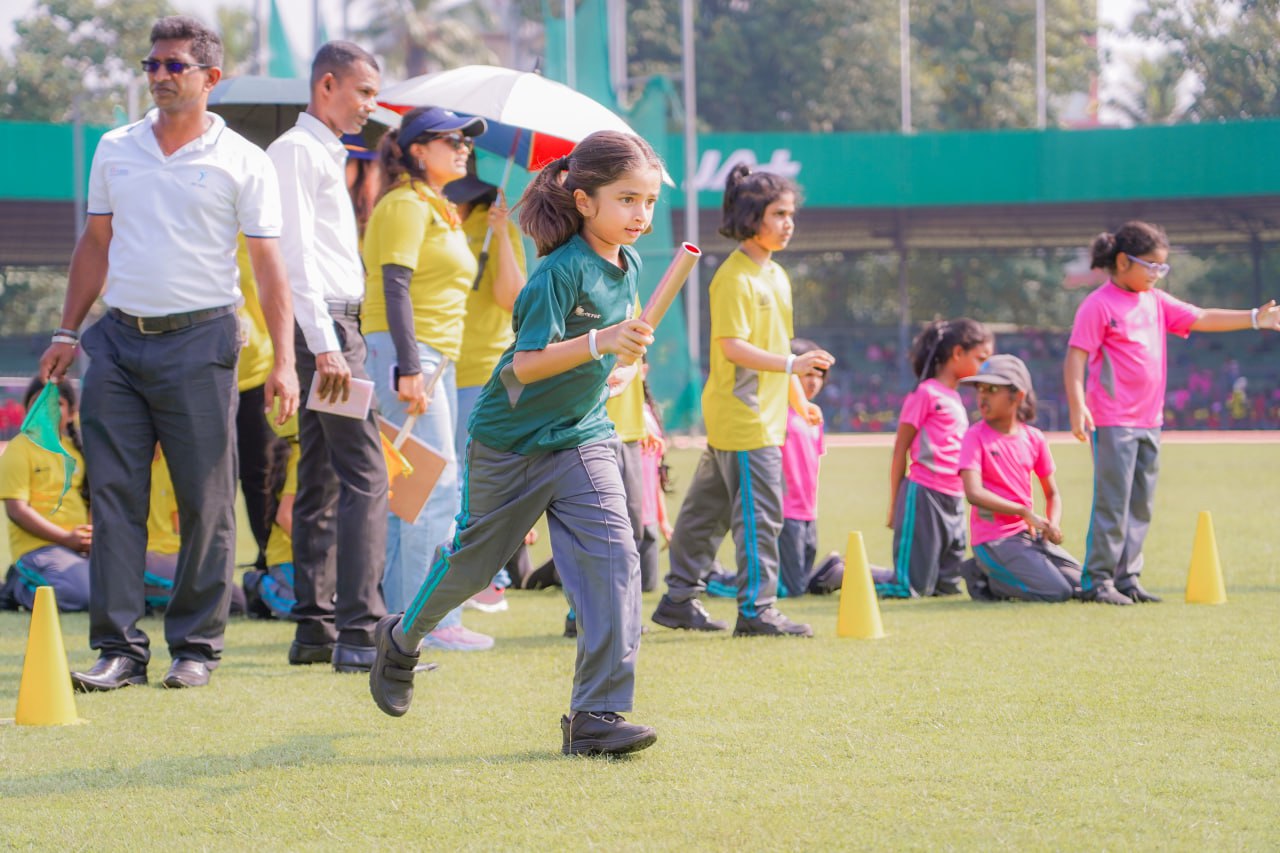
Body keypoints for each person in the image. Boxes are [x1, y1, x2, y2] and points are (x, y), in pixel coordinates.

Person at [368, 130, 661, 757]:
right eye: (628, 200)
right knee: (474, 563)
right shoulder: (555, 273)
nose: (642, 215)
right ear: (585, 202)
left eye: (650, 202)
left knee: (617, 558)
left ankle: (596, 715)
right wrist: (601, 344)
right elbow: (523, 365)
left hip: (583, 435)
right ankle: (402, 638)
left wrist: (624, 368)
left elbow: (612, 351)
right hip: (511, 441)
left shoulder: (629, 264)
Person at [41, 16, 299, 692]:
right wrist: (68, 331)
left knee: (205, 501)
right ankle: (118, 650)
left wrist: (287, 361)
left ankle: (196, 647)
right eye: (153, 64)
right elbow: (95, 243)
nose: (159, 75)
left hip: (202, 340)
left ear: (210, 78)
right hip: (117, 342)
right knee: (116, 496)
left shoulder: (245, 159)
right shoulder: (114, 147)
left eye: (174, 65)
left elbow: (271, 269)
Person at [652, 165, 833, 638]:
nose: (789, 223)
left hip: (756, 419)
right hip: (745, 417)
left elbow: (781, 345)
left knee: (703, 513)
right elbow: (732, 347)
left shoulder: (776, 275)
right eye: (779, 214)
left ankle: (677, 599)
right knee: (759, 518)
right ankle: (757, 610)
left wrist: (797, 399)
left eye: (791, 214)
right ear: (752, 217)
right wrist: (794, 369)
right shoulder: (734, 277)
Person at [1065, 220, 1280, 604]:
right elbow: (1076, 356)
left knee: (1141, 503)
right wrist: (1078, 404)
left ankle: (1127, 577)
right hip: (1113, 419)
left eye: (1161, 267)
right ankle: (1097, 581)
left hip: (1150, 420)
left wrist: (1253, 318)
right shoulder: (1098, 305)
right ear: (1122, 261)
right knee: (1113, 503)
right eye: (1150, 265)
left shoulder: (1155, 302)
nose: (1156, 274)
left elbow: (1200, 316)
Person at [267, 41, 387, 671]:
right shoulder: (295, 151)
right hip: (331, 332)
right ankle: (362, 633)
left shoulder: (321, 152)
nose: (371, 104)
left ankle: (314, 630)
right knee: (367, 477)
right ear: (328, 85)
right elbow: (294, 257)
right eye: (364, 91)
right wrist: (325, 343)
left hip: (333, 329)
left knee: (319, 476)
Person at [362, 106, 493, 652]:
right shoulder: (404, 204)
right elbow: (394, 285)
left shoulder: (439, 208)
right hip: (409, 354)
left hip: (434, 354)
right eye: (452, 140)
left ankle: (402, 621)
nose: (464, 147)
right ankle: (427, 623)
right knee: (434, 486)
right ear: (418, 150)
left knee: (414, 493)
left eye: (465, 140)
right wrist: (410, 367)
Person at [446, 169, 528, 614]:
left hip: (485, 369)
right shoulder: (431, 219)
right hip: (437, 366)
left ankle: (487, 576)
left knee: (477, 476)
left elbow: (513, 299)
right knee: (446, 478)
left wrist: (498, 234)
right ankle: (461, 570)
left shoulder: (495, 223)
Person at [875, 318, 992, 599]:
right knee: (910, 588)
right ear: (957, 354)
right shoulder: (925, 394)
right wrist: (895, 504)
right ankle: (844, 574)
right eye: (981, 359)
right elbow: (900, 449)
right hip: (924, 494)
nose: (985, 367)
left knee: (946, 587)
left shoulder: (954, 398)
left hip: (953, 498)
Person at [956, 355, 1082, 602]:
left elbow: (1052, 493)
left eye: (992, 389)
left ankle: (1003, 573)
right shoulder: (975, 436)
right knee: (1056, 592)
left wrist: (1053, 523)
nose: (983, 396)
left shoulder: (1033, 438)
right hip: (994, 540)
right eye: (980, 389)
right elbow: (973, 493)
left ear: (1018, 396)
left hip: (1027, 538)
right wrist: (1023, 512)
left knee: (1084, 586)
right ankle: (984, 577)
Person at [0, 378, 90, 613]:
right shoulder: (20, 449)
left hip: (80, 548)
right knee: (80, 594)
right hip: (39, 549)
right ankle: (17, 584)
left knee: (122, 587)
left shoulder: (78, 451)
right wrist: (66, 539)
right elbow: (17, 510)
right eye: (38, 402)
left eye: (57, 403)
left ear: (71, 413)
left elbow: (92, 502)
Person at [144, 446, 247, 615]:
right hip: (143, 552)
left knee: (235, 601)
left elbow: (181, 524)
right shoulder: (126, 462)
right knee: (205, 595)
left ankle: (153, 595)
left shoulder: (173, 463)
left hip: (173, 552)